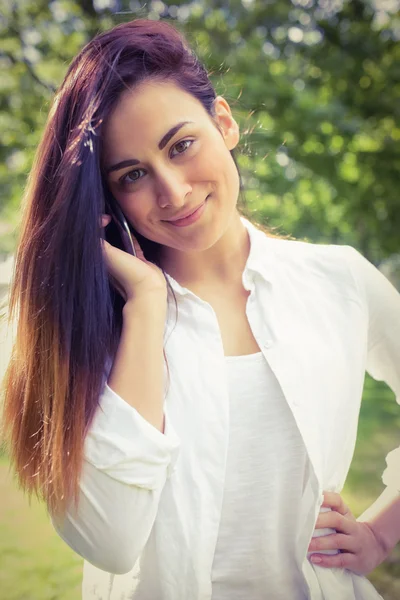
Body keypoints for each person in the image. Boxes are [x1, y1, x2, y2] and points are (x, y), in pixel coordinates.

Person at [1, 17, 400, 600]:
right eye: (133, 174)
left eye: (181, 145)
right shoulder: (97, 323)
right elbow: (110, 541)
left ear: (224, 123)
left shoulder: (337, 280)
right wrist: (146, 302)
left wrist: (382, 534)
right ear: (109, 197)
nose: (174, 191)